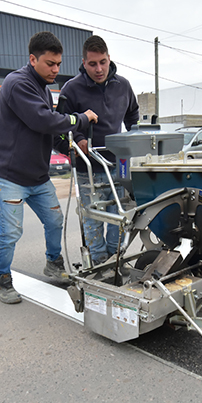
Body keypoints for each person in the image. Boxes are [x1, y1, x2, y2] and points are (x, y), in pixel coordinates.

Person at [0, 31, 98, 304]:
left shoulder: (45, 90)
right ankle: (2, 278)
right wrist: (81, 119)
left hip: (37, 176)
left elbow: (48, 133)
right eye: (50, 63)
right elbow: (44, 121)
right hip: (9, 176)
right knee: (11, 231)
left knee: (55, 220)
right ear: (33, 59)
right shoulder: (17, 83)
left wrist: (68, 148)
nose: (56, 70)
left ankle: (53, 263)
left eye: (58, 64)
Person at [56, 35, 139, 265]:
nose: (99, 69)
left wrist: (133, 136)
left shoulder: (123, 85)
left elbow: (133, 114)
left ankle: (115, 262)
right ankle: (97, 264)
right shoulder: (71, 90)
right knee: (93, 219)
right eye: (92, 64)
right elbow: (59, 128)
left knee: (119, 216)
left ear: (109, 58)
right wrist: (78, 141)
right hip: (88, 168)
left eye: (102, 62)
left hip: (119, 165)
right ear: (84, 63)